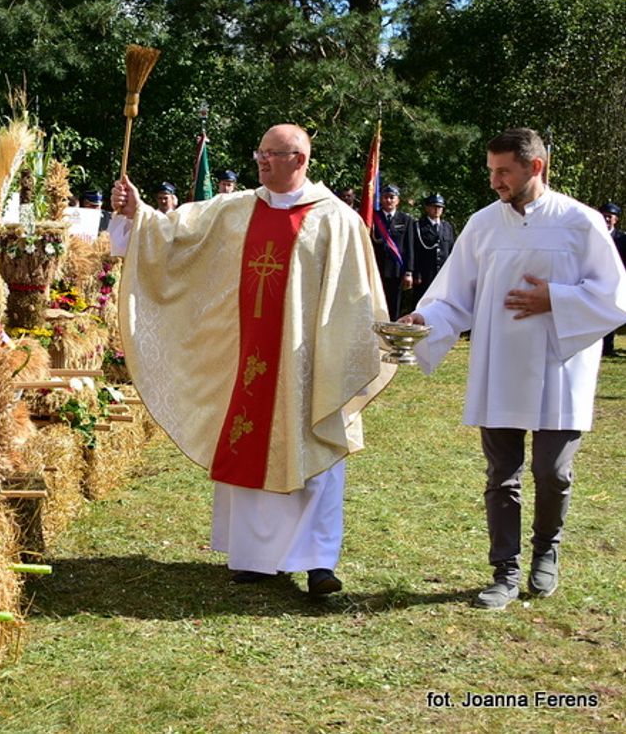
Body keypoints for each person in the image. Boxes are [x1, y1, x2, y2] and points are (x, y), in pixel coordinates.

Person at [108, 124, 394, 596]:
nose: (260, 161)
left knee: (316, 450)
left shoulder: (337, 219)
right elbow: (177, 234)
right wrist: (138, 212)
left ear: (298, 159)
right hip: (249, 357)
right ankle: (259, 558)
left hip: (308, 360)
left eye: (271, 154)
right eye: (259, 153)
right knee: (250, 442)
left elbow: (355, 296)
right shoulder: (238, 208)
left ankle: (319, 562)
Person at [399, 128, 626, 610]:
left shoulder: (580, 223)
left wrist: (556, 298)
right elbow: (455, 294)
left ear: (535, 167)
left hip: (558, 366)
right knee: (502, 472)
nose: (494, 182)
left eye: (503, 171)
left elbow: (614, 296)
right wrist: (426, 318)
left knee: (553, 472)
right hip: (499, 361)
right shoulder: (483, 225)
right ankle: (504, 571)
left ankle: (547, 552)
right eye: (491, 171)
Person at [371, 184, 417, 318]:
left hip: (397, 270)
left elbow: (409, 247)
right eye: (385, 197)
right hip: (377, 268)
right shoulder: (374, 218)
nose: (388, 200)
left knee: (394, 304)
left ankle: (392, 331)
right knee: (377, 302)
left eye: (392, 197)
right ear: (381, 199)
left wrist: (409, 272)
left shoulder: (406, 220)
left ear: (398, 200)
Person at [411, 193, 457, 299]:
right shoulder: (419, 226)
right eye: (434, 206)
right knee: (421, 300)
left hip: (442, 273)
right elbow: (414, 251)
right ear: (427, 208)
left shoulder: (447, 227)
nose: (437, 210)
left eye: (439, 207)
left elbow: (451, 250)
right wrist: (416, 273)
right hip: (425, 273)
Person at [598, 202, 626, 355]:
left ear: (616, 220)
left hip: (617, 282)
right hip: (596, 280)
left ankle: (608, 347)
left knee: (613, 314)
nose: (607, 219)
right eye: (604, 216)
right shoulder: (592, 233)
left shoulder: (623, 239)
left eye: (610, 217)